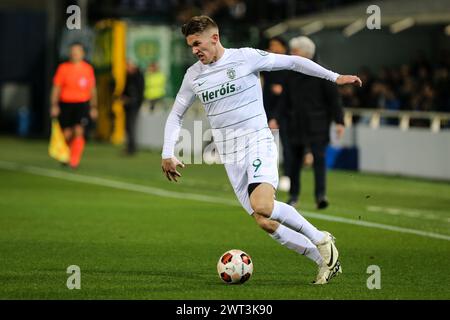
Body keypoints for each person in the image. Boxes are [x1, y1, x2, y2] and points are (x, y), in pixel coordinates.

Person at [161, 16, 362, 284]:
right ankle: (323, 259)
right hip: (230, 155)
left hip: (257, 141)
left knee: (263, 205)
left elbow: (292, 61)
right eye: (190, 46)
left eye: (197, 43)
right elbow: (176, 116)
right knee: (264, 220)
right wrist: (167, 152)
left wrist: (334, 77)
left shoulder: (245, 57)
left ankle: (321, 238)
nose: (195, 50)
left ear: (215, 38)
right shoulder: (193, 75)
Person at [278, 36, 345, 210]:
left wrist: (339, 121)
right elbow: (284, 99)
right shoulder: (290, 73)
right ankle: (293, 196)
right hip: (296, 123)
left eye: (295, 52)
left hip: (318, 124)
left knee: (319, 160)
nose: (291, 55)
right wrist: (277, 117)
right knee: (293, 161)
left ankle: (320, 196)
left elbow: (334, 100)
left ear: (306, 54)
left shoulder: (323, 72)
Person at [50, 42, 97, 169]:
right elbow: (56, 88)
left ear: (82, 54)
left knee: (79, 131)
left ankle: (74, 160)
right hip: (66, 103)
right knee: (67, 133)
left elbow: (92, 89)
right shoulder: (63, 68)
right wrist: (54, 105)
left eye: (77, 51)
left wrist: (93, 107)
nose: (74, 53)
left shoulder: (88, 69)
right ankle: (66, 154)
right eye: (73, 51)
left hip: (82, 104)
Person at [260, 37, 291, 192]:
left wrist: (276, 117)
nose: (273, 48)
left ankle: (287, 175)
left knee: (286, 144)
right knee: (264, 145)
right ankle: (265, 175)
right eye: (270, 46)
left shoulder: (289, 65)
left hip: (285, 112)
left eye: (275, 45)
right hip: (266, 109)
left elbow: (289, 92)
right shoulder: (269, 64)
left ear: (284, 47)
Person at [123, 61, 145, 155]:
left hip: (134, 105)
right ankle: (129, 146)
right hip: (128, 105)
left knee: (131, 126)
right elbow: (125, 89)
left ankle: (132, 148)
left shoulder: (138, 76)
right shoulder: (129, 75)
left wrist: (131, 99)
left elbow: (139, 92)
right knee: (128, 126)